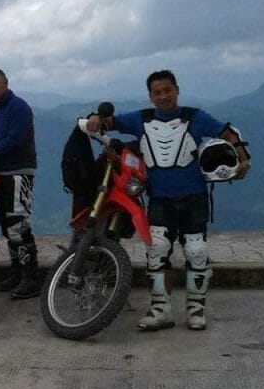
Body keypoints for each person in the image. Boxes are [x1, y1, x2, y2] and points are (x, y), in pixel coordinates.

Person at [86, 70, 251, 331]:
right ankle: (160, 310)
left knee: (197, 252)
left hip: (194, 197)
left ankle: (196, 310)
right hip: (160, 199)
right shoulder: (141, 119)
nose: (163, 96)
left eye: (167, 90)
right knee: (157, 252)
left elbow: (227, 132)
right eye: (157, 92)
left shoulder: (195, 118)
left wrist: (243, 158)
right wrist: (95, 118)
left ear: (177, 89)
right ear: (150, 96)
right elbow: (109, 121)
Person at [0, 68, 40, 299]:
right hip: (2, 172)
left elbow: (14, 140)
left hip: (18, 171)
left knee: (17, 225)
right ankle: (17, 273)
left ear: (6, 83)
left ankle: (31, 278)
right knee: (7, 225)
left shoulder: (18, 107)